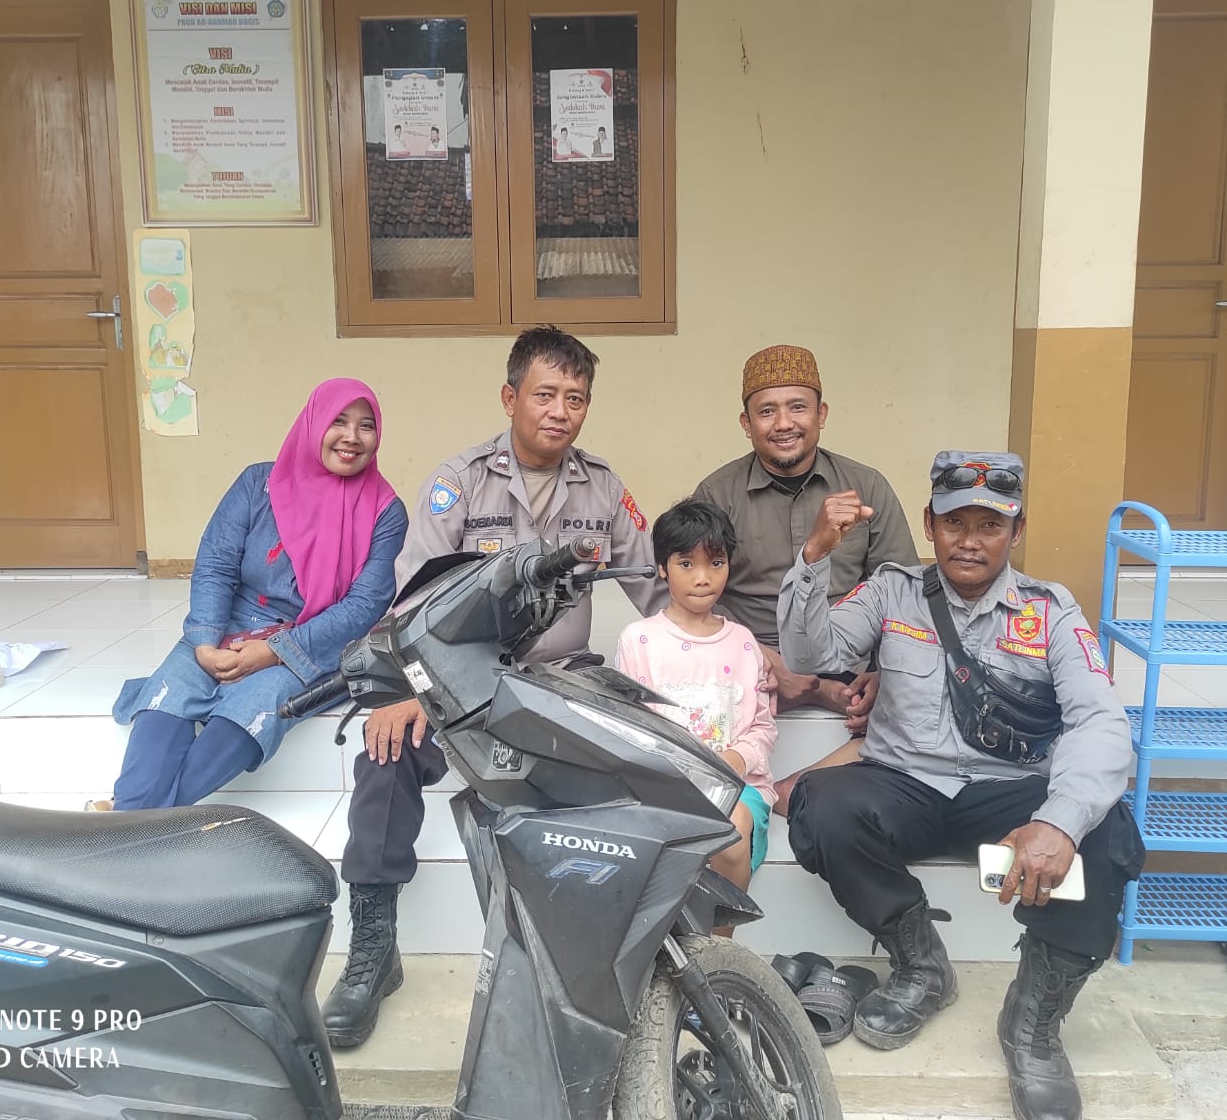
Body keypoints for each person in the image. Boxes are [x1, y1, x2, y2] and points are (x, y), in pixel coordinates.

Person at [322, 326, 665, 1048]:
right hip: (461, 681)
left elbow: (657, 591)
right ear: (511, 398)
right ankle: (373, 948)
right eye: (545, 394)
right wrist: (403, 690)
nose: (560, 411)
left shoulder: (604, 487)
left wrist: (724, 649)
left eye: (576, 398)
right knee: (386, 755)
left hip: (560, 682)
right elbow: (409, 601)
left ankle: (601, 963)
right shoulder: (461, 481)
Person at [776, 451, 1144, 1120]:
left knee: (1104, 829)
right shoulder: (891, 591)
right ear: (929, 524)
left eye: (989, 525)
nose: (969, 540)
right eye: (954, 523)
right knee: (823, 804)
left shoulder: (1049, 611)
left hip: (1008, 792)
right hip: (904, 783)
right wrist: (815, 556)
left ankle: (1033, 1022)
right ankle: (921, 965)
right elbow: (809, 655)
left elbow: (1100, 720)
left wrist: (1057, 822)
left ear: (1017, 529)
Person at [95, 380, 407, 812]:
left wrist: (275, 651)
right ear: (313, 423)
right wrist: (204, 642)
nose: (352, 437)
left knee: (259, 703)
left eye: (366, 426)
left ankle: (127, 819)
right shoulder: (258, 484)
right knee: (172, 689)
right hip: (230, 626)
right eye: (338, 421)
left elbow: (363, 607)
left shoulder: (385, 512)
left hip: (314, 642)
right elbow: (215, 564)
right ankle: (139, 823)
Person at [693, 344, 918, 746]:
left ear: (821, 414)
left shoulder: (866, 486)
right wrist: (756, 654)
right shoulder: (716, 495)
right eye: (766, 411)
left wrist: (884, 675)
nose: (784, 424)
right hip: (748, 666)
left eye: (798, 407)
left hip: (851, 667)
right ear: (746, 423)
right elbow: (695, 598)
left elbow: (904, 595)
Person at [614, 500, 777, 904]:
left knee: (731, 834)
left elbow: (763, 725)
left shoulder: (743, 642)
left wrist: (738, 759)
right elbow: (629, 725)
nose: (703, 578)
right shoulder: (639, 640)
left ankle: (721, 939)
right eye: (686, 564)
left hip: (736, 785)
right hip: (663, 784)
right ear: (662, 567)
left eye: (716, 563)